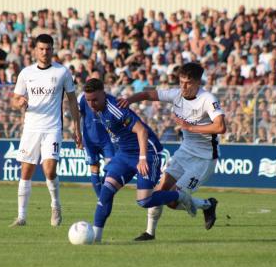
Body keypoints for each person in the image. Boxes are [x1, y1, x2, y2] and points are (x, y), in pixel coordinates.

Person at [118, 62, 226, 241]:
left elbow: (220, 126)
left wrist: (190, 128)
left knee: (173, 200)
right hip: (184, 153)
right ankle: (149, 232)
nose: (183, 86)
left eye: (188, 83)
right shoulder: (176, 95)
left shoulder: (208, 99)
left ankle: (207, 205)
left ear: (198, 82)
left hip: (204, 159)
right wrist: (129, 100)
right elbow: (148, 94)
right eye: (181, 81)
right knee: (158, 191)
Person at [83, 78, 196, 243]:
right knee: (106, 192)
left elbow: (141, 131)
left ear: (103, 94)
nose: (91, 104)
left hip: (147, 152)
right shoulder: (94, 106)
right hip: (124, 154)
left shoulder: (115, 108)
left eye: (95, 100)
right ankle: (96, 238)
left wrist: (142, 159)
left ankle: (180, 196)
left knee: (144, 201)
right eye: (88, 100)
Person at [9, 34, 82, 228]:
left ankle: (56, 205)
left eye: (48, 49)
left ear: (52, 49)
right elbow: (15, 99)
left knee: (49, 169)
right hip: (31, 128)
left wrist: (77, 127)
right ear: (35, 50)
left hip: (52, 127)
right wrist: (19, 102)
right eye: (41, 49)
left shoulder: (62, 72)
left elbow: (73, 100)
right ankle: (21, 217)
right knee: (26, 171)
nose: (45, 52)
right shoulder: (26, 73)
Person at [78, 90, 116, 199]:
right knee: (94, 168)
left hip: (106, 140)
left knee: (111, 167)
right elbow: (79, 114)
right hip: (89, 140)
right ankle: (101, 198)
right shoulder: (83, 99)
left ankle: (103, 194)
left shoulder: (108, 99)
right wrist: (77, 134)